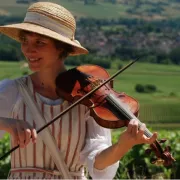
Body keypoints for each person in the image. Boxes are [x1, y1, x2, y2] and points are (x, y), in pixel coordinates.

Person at [0, 2, 157, 179]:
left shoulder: (88, 98)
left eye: (40, 42)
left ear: (61, 47)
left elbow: (97, 164)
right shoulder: (12, 91)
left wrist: (123, 145)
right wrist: (5, 123)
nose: (28, 49)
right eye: (24, 41)